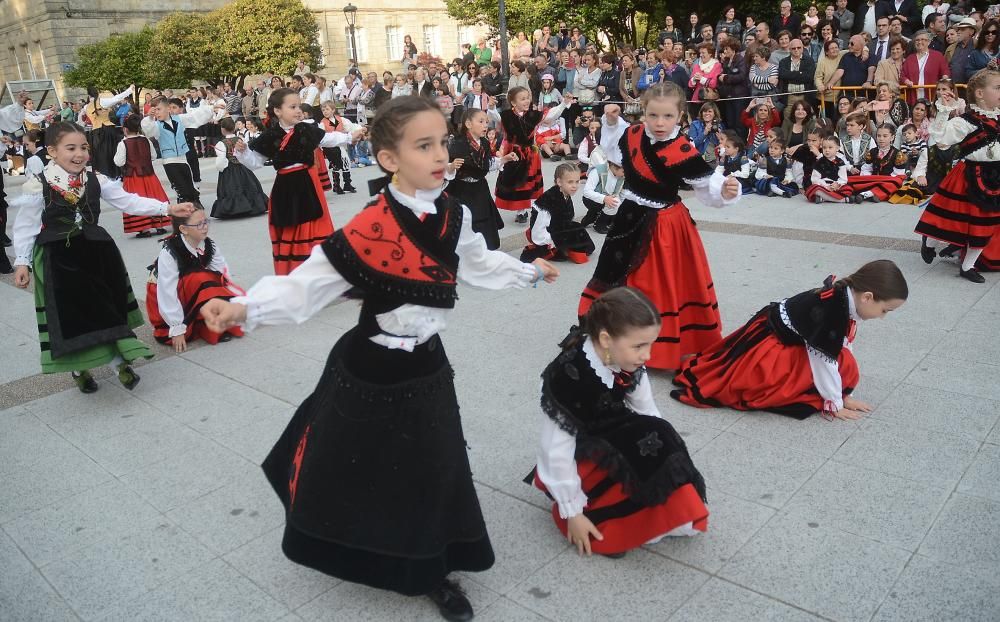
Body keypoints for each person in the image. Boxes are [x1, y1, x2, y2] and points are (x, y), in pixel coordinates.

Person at [199, 95, 560, 622]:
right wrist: (242, 310)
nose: (441, 155)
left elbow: (478, 264)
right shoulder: (367, 228)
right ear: (388, 158)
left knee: (432, 466)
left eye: (441, 142)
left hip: (428, 367)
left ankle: (434, 569)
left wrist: (528, 271)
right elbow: (306, 289)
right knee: (363, 466)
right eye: (423, 146)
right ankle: (364, 546)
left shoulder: (455, 214)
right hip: (371, 369)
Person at [10, 122, 192, 393]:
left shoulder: (96, 179)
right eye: (70, 148)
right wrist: (22, 261)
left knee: (105, 307)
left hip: (97, 253)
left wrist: (167, 207)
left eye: (83, 147)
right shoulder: (38, 185)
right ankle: (78, 367)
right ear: (51, 151)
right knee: (71, 314)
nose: (79, 154)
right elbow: (25, 226)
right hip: (57, 259)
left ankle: (120, 362)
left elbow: (128, 201)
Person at [529, 287, 708, 558]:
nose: (647, 355)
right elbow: (556, 449)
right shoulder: (570, 377)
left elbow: (647, 408)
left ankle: (664, 506)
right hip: (584, 448)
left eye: (650, 344)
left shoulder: (624, 359)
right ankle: (598, 511)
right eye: (639, 346)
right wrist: (572, 512)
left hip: (614, 431)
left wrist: (662, 457)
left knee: (659, 432)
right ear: (605, 339)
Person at [578, 82, 741, 371]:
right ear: (644, 113)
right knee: (620, 274)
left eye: (667, 116)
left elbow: (705, 187)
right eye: (653, 115)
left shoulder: (681, 149)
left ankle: (658, 345)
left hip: (665, 223)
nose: (660, 123)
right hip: (629, 216)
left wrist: (726, 193)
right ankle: (620, 336)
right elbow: (614, 154)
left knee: (660, 282)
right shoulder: (632, 134)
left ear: (680, 116)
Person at [673, 260, 907, 419]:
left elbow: (841, 347)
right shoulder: (833, 310)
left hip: (779, 335)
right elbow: (824, 361)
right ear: (867, 297)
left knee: (843, 361)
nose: (883, 317)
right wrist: (835, 403)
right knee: (767, 386)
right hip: (769, 345)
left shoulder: (843, 299)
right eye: (885, 310)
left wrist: (846, 393)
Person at [235, 89, 363, 275]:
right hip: (285, 189)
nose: (298, 110)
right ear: (278, 111)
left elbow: (328, 138)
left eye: (299, 106)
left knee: (314, 226)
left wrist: (350, 137)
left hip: (308, 186)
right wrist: (243, 151)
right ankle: (294, 274)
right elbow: (255, 163)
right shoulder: (270, 136)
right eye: (292, 106)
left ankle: (320, 273)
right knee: (290, 229)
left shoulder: (306, 129)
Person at [915, 68, 1000, 283]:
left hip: (995, 176)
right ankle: (931, 242)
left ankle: (968, 266)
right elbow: (940, 139)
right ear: (980, 94)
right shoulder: (966, 121)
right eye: (998, 88)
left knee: (986, 225)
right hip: (970, 175)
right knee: (950, 218)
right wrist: (943, 111)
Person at [147, 206, 244, 352]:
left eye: (206, 222)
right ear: (184, 229)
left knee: (211, 279)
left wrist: (234, 300)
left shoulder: (208, 245)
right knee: (200, 278)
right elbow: (167, 292)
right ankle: (199, 323)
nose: (205, 227)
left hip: (191, 289)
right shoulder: (170, 251)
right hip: (163, 296)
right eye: (199, 224)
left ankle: (212, 323)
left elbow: (223, 275)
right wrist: (176, 327)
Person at [496, 87, 574, 223]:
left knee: (528, 182)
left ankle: (525, 210)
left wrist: (563, 104)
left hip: (530, 154)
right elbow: (494, 118)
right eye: (522, 99)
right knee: (517, 183)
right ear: (513, 103)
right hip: (513, 154)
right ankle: (521, 210)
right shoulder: (507, 115)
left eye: (528, 97)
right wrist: (491, 108)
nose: (527, 101)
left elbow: (550, 115)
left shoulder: (533, 115)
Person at [446, 107, 516, 250]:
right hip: (461, 190)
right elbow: (442, 166)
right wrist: (451, 166)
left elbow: (486, 163)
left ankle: (485, 250)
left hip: (479, 188)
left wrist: (504, 159)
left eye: (487, 122)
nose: (485, 125)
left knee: (483, 219)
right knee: (464, 221)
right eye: (481, 121)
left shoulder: (484, 142)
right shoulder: (457, 143)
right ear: (468, 124)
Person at [141, 96, 221, 209]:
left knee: (190, 186)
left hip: (183, 159)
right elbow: (148, 130)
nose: (156, 113)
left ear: (168, 108)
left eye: (159, 109)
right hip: (169, 161)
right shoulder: (156, 125)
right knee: (181, 188)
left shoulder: (179, 119)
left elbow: (195, 116)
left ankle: (194, 205)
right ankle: (183, 212)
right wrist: (149, 117)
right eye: (154, 110)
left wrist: (211, 108)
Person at [521, 162, 595, 264]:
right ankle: (561, 249)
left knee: (578, 229)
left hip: (557, 228)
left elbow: (566, 218)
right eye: (570, 182)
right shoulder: (548, 200)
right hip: (545, 233)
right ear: (559, 182)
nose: (575, 186)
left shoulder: (565, 194)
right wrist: (551, 242)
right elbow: (538, 229)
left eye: (577, 182)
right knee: (575, 234)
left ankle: (570, 248)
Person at [112, 115, 171, 236]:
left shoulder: (123, 143)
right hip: (149, 175)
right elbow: (154, 156)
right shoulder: (146, 140)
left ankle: (144, 229)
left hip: (133, 176)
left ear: (125, 129)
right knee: (154, 197)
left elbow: (119, 162)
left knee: (136, 200)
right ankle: (159, 225)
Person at [211, 117, 268, 219]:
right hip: (242, 167)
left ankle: (235, 209)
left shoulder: (221, 143)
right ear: (234, 128)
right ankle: (253, 206)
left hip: (229, 170)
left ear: (222, 129)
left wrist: (221, 167)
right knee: (248, 186)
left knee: (232, 189)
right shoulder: (240, 139)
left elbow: (221, 161)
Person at [83, 85, 134, 178]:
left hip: (95, 133)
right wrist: (129, 90)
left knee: (100, 156)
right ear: (97, 93)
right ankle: (117, 174)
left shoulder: (86, 107)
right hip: (107, 130)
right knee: (113, 153)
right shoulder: (102, 102)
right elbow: (116, 98)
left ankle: (104, 176)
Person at [319, 101, 362, 195]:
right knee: (336, 165)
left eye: (327, 109)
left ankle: (347, 184)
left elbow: (350, 127)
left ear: (333, 110)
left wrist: (359, 129)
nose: (325, 111)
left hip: (341, 146)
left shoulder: (341, 119)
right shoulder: (322, 123)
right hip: (330, 148)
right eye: (323, 110)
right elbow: (321, 137)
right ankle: (337, 186)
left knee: (346, 163)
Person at [580, 149, 625, 233]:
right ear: (615, 167)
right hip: (590, 200)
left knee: (619, 203)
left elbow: (621, 193)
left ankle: (591, 216)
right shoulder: (598, 170)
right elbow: (586, 192)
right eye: (623, 171)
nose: (625, 174)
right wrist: (604, 198)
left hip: (607, 199)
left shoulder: (621, 176)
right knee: (614, 204)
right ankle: (599, 225)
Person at [806, 133, 855, 202]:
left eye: (830, 147)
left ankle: (823, 198)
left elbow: (843, 179)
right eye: (824, 148)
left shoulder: (840, 162)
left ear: (837, 148)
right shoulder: (819, 162)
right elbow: (814, 179)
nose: (827, 150)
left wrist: (837, 184)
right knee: (813, 189)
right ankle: (841, 200)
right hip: (823, 186)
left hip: (836, 186)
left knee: (848, 189)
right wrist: (826, 186)